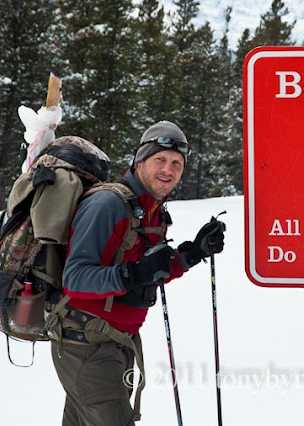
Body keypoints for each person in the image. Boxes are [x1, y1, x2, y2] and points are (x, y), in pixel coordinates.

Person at [50, 120, 226, 426]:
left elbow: (149, 272)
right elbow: (75, 279)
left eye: (176, 163)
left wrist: (193, 252)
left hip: (115, 344)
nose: (168, 170)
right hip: (87, 345)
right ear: (140, 161)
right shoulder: (108, 205)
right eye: (160, 159)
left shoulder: (150, 210)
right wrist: (132, 274)